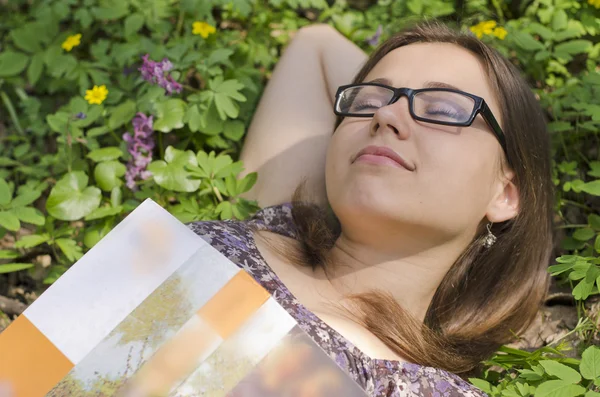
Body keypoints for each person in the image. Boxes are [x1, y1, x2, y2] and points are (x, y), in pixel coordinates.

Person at [189, 20, 554, 396]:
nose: (385, 116)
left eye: (443, 110)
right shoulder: (274, 221)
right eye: (367, 102)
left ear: (506, 194)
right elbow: (315, 44)